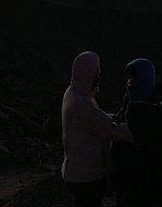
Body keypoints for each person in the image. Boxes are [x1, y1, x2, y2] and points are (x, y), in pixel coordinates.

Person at [62, 51, 133, 207]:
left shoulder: (74, 91)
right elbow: (109, 131)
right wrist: (137, 130)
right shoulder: (81, 103)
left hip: (77, 171)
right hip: (86, 175)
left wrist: (111, 117)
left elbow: (96, 119)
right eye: (96, 73)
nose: (98, 77)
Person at [112, 58, 162, 207]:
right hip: (124, 169)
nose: (130, 82)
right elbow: (120, 118)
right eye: (129, 78)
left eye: (134, 79)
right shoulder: (129, 98)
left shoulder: (155, 104)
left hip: (144, 170)